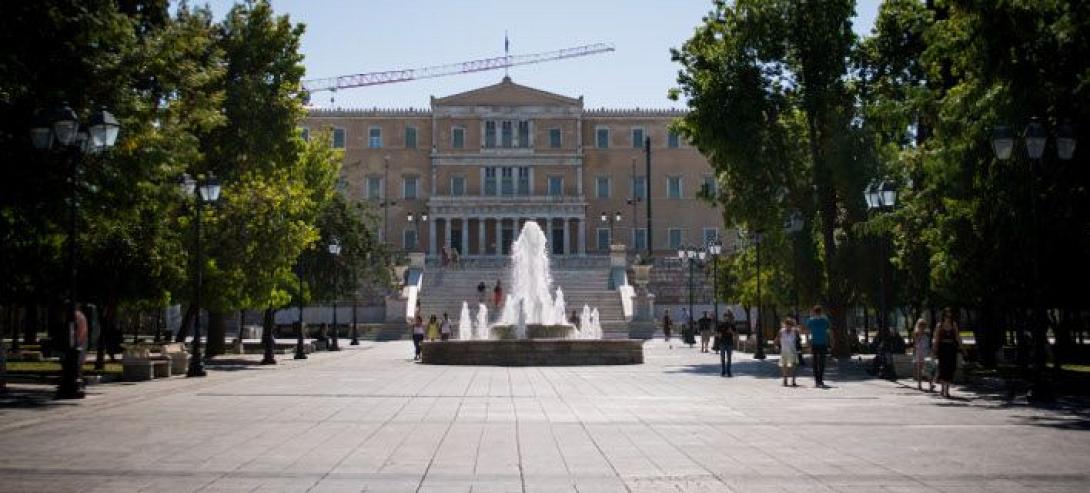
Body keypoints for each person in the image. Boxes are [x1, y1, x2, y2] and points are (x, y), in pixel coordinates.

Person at [932, 308, 963, 398]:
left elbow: (957, 337)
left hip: (951, 349)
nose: (948, 316)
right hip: (942, 349)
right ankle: (943, 389)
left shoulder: (954, 325)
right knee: (943, 368)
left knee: (950, 369)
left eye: (949, 314)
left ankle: (947, 389)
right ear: (943, 315)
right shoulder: (939, 325)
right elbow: (936, 339)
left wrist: (962, 348)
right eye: (946, 314)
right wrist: (934, 350)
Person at [805, 305, 832, 388]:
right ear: (821, 312)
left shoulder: (810, 320)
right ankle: (820, 379)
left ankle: (817, 380)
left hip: (814, 343)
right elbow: (828, 331)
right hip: (823, 343)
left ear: (814, 312)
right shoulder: (825, 320)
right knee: (821, 362)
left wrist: (808, 342)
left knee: (815, 362)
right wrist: (830, 342)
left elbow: (807, 332)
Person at [912, 318, 934, 392]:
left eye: (923, 326)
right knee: (920, 370)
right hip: (919, 353)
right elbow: (915, 344)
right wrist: (914, 353)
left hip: (926, 353)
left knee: (927, 369)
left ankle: (931, 384)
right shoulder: (916, 334)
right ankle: (919, 385)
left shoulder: (927, 334)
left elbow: (929, 344)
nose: (922, 327)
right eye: (920, 326)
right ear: (918, 326)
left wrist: (930, 352)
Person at [776, 318, 800, 386]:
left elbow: (799, 338)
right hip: (784, 351)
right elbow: (777, 339)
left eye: (790, 324)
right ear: (785, 324)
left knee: (794, 366)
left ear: (792, 325)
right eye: (787, 324)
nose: (788, 326)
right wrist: (776, 346)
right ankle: (785, 379)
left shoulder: (794, 331)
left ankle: (793, 380)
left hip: (792, 351)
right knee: (784, 366)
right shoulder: (781, 331)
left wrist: (796, 328)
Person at [717, 312, 736, 377]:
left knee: (729, 358)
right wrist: (719, 335)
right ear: (723, 318)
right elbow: (717, 333)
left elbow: (735, 334)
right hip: (722, 343)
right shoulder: (720, 325)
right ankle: (723, 371)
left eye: (727, 317)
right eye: (725, 317)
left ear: (728, 318)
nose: (726, 318)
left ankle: (729, 371)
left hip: (729, 343)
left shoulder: (731, 325)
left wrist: (731, 331)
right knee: (722, 358)